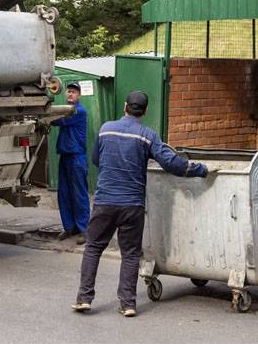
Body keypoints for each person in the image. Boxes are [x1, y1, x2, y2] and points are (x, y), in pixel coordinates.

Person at [71, 91, 209, 317]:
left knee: (94, 247)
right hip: (132, 205)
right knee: (131, 254)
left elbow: (96, 159)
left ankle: (84, 298)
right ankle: (128, 304)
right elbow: (172, 163)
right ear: (144, 111)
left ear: (125, 106)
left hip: (105, 201)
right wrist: (200, 170)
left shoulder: (106, 129)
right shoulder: (147, 135)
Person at [51, 82, 90, 245]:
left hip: (77, 157)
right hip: (65, 156)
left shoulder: (78, 111)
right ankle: (69, 227)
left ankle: (84, 229)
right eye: (68, 92)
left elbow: (57, 121)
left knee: (79, 193)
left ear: (79, 95)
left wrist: (44, 111)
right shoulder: (65, 110)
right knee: (64, 193)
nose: (70, 95)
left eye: (73, 92)